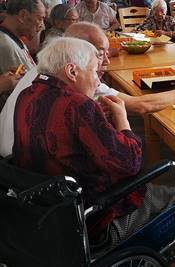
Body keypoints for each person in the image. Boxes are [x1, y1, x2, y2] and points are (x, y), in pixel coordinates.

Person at [0, 22, 175, 158]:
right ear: (77, 54)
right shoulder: (77, 82)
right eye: (98, 53)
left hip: (18, 170)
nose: (105, 60)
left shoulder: (44, 73)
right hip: (40, 177)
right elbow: (142, 106)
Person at [12, 37, 153, 240]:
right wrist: (122, 119)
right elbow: (130, 162)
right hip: (88, 217)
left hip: (43, 210)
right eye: (94, 72)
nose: (98, 81)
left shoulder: (27, 95)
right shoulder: (79, 105)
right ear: (72, 71)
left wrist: (97, 118)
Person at [0, 0, 45, 107]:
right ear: (23, 15)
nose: (42, 25)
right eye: (40, 19)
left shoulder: (13, 38)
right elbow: (26, 89)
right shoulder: (5, 45)